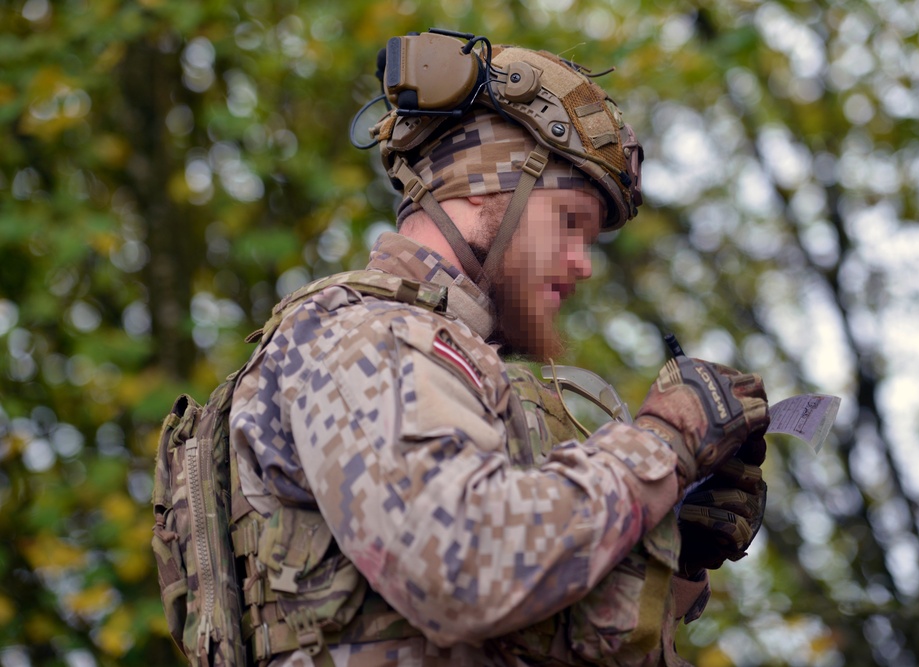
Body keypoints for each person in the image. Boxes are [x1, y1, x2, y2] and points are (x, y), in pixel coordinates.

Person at [229, 29, 769, 666]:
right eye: (570, 222)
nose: (582, 264)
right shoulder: (370, 338)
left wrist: (676, 542)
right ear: (486, 187)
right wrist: (662, 442)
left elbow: (538, 626)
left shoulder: (450, 367)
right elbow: (466, 573)